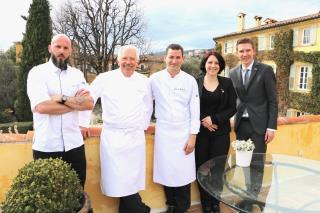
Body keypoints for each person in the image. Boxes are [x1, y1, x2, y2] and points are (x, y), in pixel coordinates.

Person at [81, 45, 152, 213]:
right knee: (119, 181)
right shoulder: (104, 78)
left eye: (132, 59)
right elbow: (89, 99)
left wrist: (142, 125)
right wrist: (83, 123)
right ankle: (142, 210)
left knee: (131, 182)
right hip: (113, 138)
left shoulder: (144, 81)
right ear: (118, 60)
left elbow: (148, 106)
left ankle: (135, 210)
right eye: (125, 58)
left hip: (135, 137)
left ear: (138, 61)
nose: (128, 62)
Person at [27, 34, 94, 188]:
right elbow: (42, 107)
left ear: (70, 51)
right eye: (58, 47)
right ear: (50, 48)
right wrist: (76, 103)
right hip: (47, 146)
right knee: (48, 197)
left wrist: (62, 98)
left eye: (65, 48)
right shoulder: (37, 73)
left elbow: (89, 103)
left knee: (78, 193)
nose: (61, 51)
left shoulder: (77, 74)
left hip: (74, 146)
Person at [150, 44, 200, 213]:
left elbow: (195, 111)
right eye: (171, 57)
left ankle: (182, 208)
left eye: (178, 57)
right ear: (165, 58)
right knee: (166, 171)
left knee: (183, 173)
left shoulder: (190, 80)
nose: (174, 60)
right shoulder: (154, 79)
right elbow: (145, 105)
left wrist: (193, 136)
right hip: (163, 132)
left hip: (183, 132)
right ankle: (171, 205)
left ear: (183, 59)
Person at [229, 37, 278, 211]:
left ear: (254, 51)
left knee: (257, 163)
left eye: (247, 50)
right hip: (241, 124)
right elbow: (235, 99)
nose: (244, 54)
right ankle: (249, 196)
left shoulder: (265, 70)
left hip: (260, 125)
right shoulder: (233, 72)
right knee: (244, 163)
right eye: (241, 51)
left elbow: (273, 100)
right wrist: (233, 117)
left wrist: (271, 127)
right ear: (237, 53)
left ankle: (252, 199)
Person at [195, 51, 236, 213]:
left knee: (218, 170)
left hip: (220, 134)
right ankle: (205, 204)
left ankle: (215, 203)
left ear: (220, 66)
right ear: (204, 64)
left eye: (216, 63)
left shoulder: (227, 83)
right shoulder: (195, 82)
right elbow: (188, 105)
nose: (213, 66)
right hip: (201, 135)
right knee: (202, 170)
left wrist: (215, 119)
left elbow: (232, 107)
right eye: (210, 62)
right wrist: (204, 120)